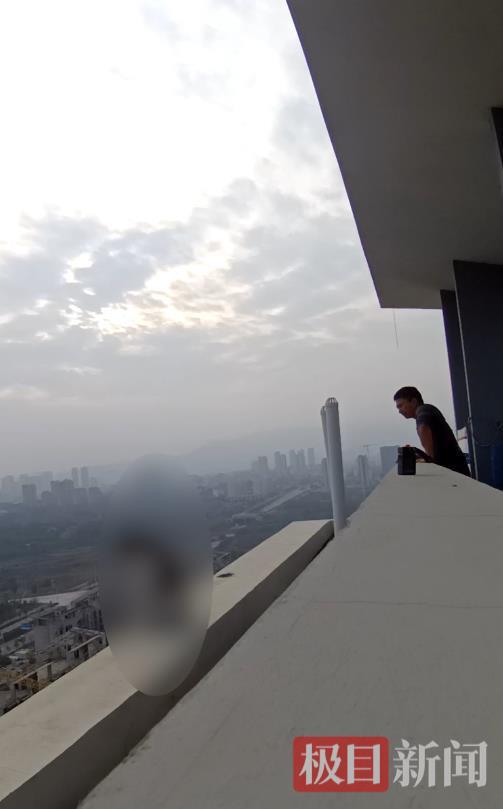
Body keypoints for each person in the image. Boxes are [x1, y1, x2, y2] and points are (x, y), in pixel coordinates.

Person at [393, 386, 471, 476]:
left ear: (414, 402)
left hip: (455, 473)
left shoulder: (423, 411)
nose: (399, 411)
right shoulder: (428, 410)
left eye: (401, 406)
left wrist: (428, 458)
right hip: (456, 471)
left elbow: (423, 427)